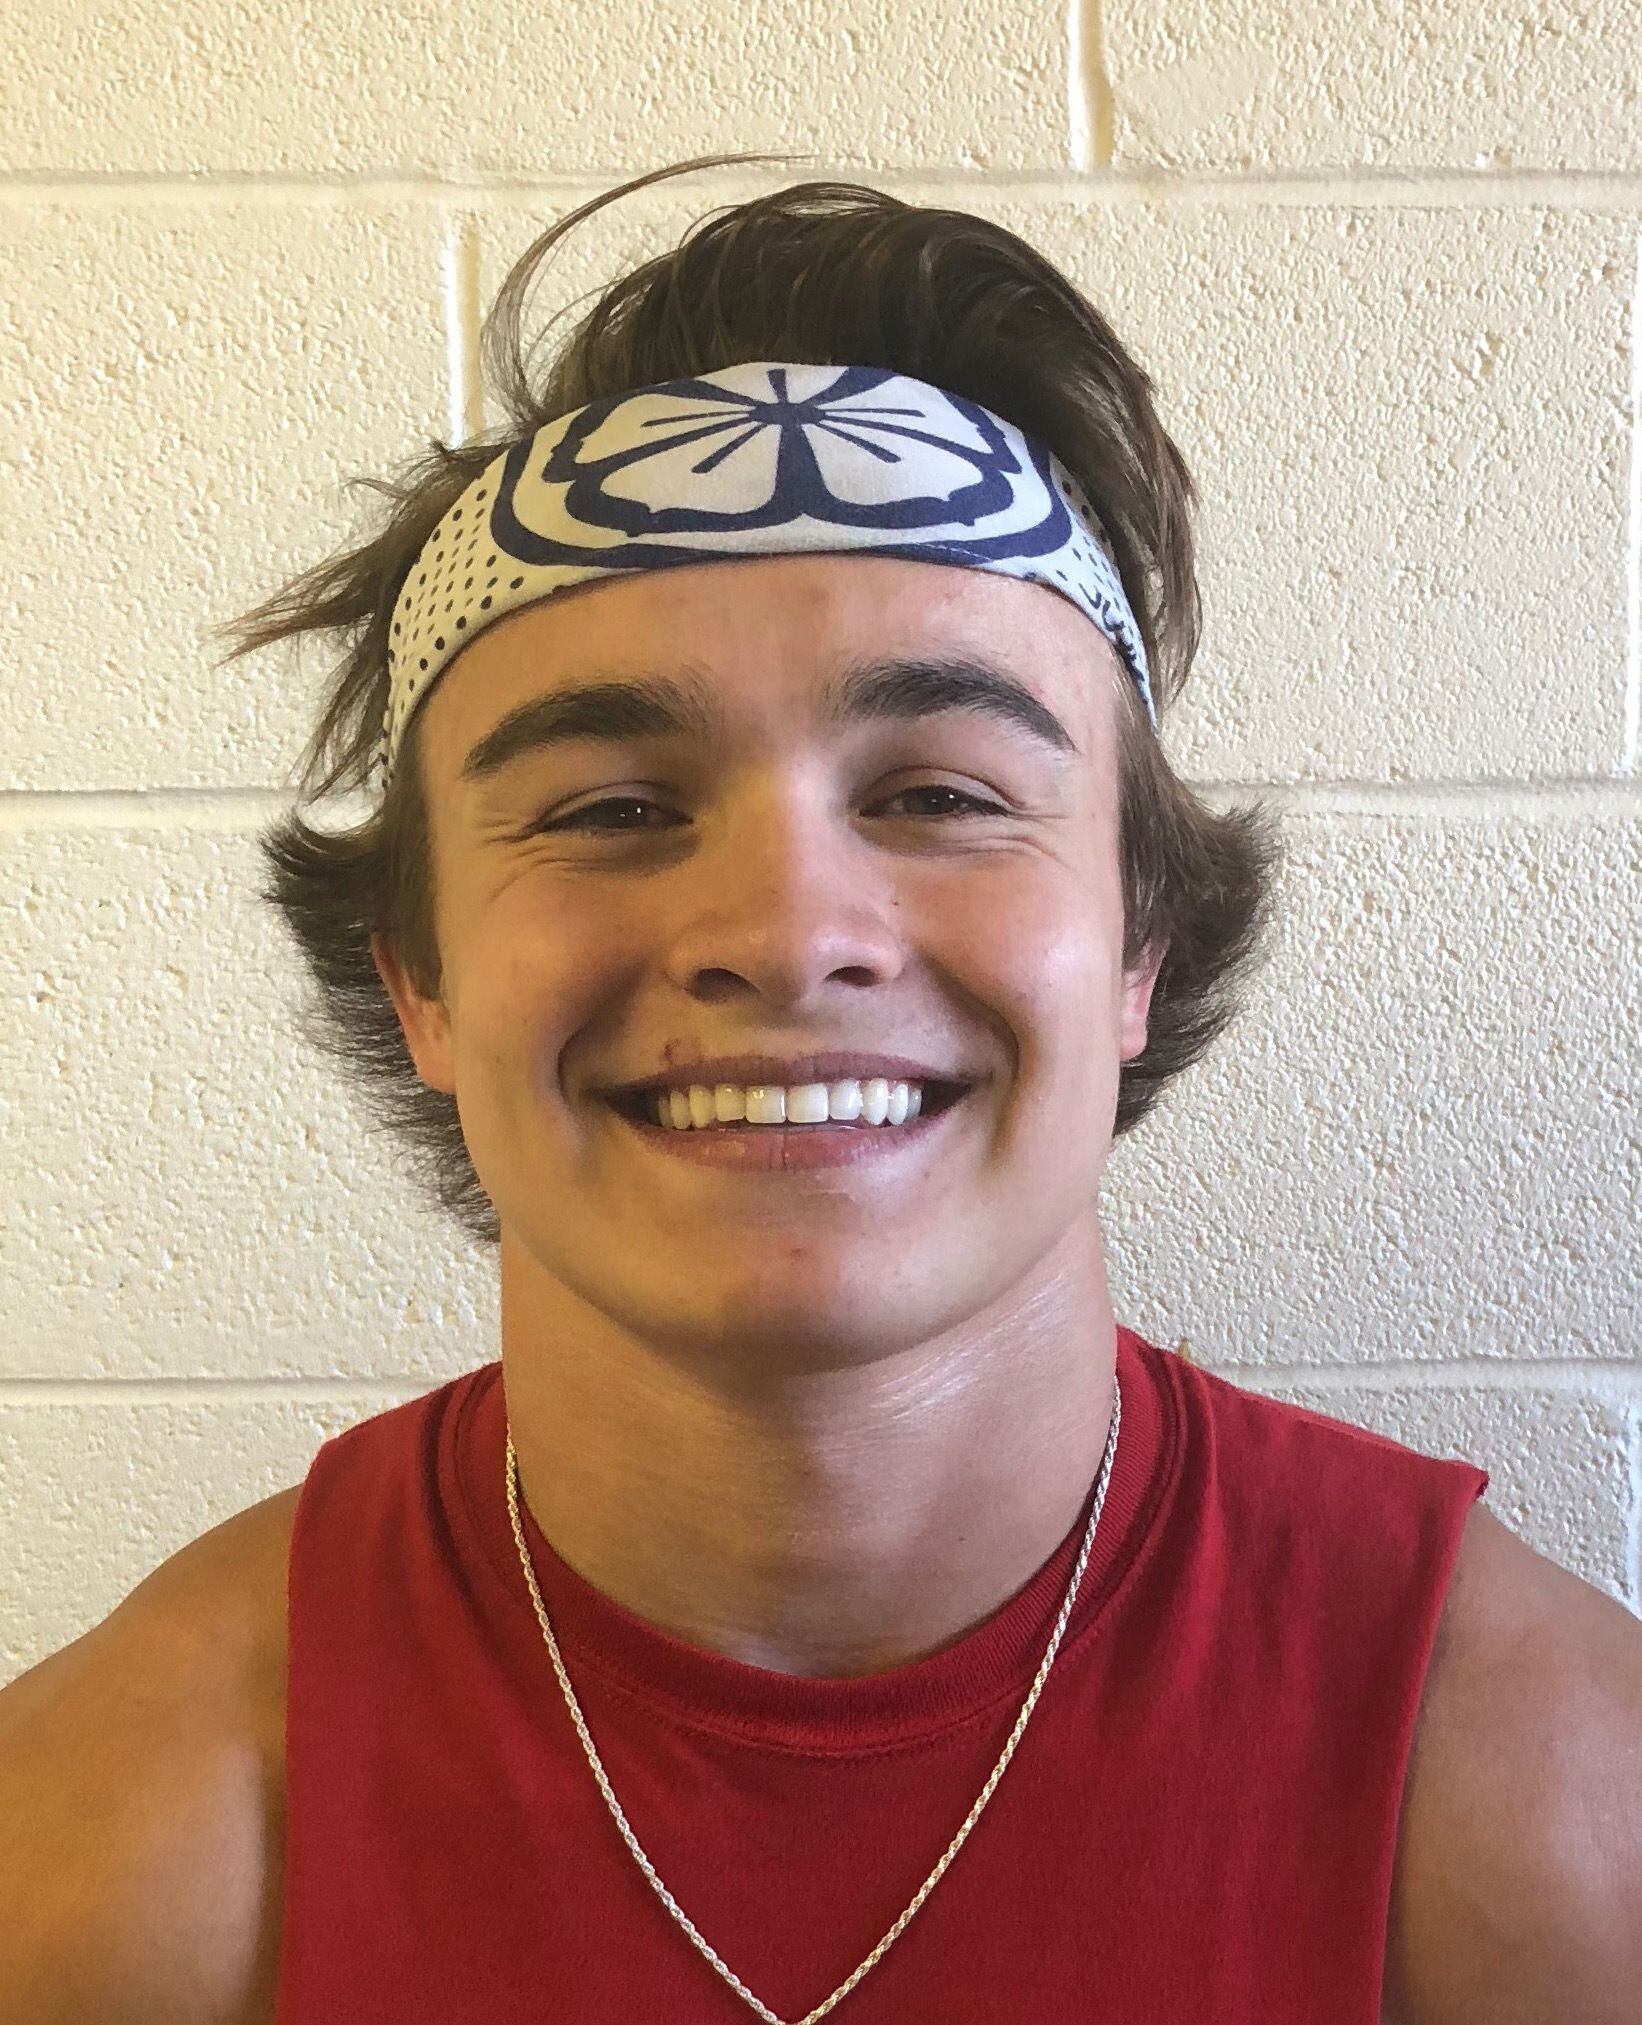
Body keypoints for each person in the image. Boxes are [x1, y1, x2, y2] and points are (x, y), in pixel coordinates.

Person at [2, 151, 1639, 2025]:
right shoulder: (108, 1848)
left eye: (937, 793)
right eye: (612, 809)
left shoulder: (1539, 1800)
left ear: (1137, 948)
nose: (785, 934)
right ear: (421, 984)